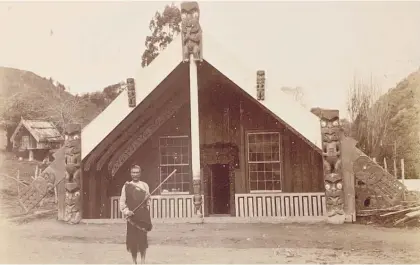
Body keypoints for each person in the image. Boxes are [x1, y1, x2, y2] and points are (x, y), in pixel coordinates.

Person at [119, 164, 152, 264]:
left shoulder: (145, 185)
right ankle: (134, 262)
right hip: (131, 217)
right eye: (133, 172)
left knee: (142, 240)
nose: (135, 174)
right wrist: (127, 211)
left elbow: (148, 202)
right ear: (130, 173)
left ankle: (143, 262)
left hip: (142, 217)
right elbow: (122, 202)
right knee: (133, 241)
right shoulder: (126, 186)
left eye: (137, 172)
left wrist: (147, 199)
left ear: (140, 173)